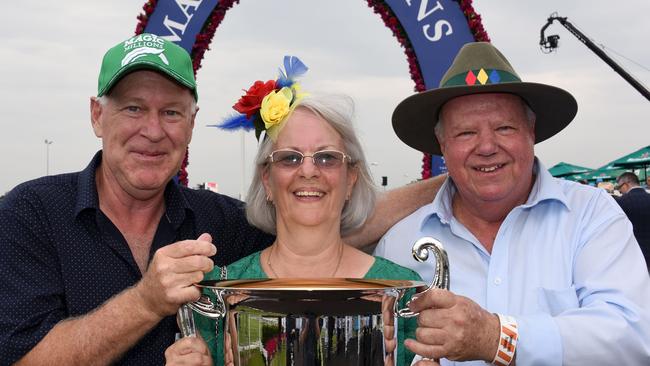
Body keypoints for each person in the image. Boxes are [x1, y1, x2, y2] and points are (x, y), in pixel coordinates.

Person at [0, 36, 444, 365]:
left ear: (192, 124)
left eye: (171, 112)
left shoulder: (222, 224)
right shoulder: (32, 214)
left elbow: (316, 219)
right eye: (133, 108)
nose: (153, 130)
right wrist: (147, 302)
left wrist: (455, 183)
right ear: (98, 115)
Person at [376, 42, 650, 365]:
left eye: (504, 128)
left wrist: (497, 337)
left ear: (531, 132)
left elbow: (634, 337)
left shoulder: (592, 215)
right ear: (442, 144)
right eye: (466, 133)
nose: (487, 146)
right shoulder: (397, 245)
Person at [164, 58, 422, 366]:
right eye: (289, 158)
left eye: (327, 158)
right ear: (267, 180)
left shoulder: (403, 290)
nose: (309, 171)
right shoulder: (221, 292)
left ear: (351, 179)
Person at [615, 171, 650, 271]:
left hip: (634, 254)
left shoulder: (621, 202)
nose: (620, 190)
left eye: (619, 187)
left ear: (626, 185)